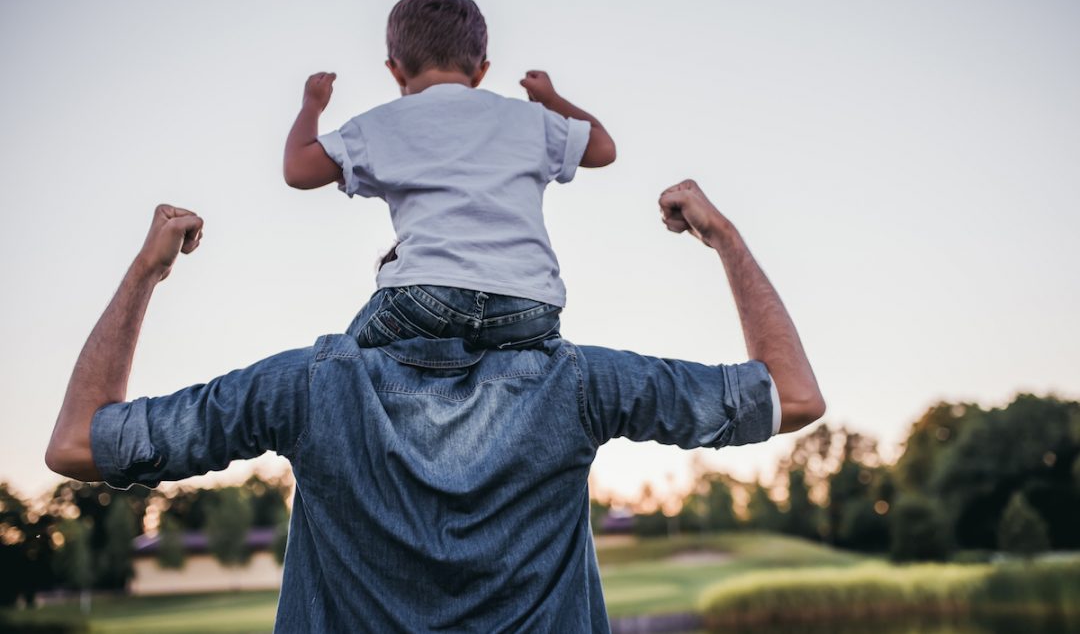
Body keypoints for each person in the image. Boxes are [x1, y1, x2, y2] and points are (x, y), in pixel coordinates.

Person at [45, 180, 825, 632]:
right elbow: (793, 395)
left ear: (389, 280)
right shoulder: (578, 383)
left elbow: (79, 443)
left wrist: (147, 271)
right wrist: (723, 237)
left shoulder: (309, 387)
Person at [282, 0, 617, 351]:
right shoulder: (528, 119)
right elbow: (603, 148)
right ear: (481, 70)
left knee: (342, 362)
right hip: (530, 306)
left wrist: (312, 105)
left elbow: (298, 169)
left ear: (395, 70)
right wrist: (550, 99)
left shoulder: (382, 124)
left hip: (427, 298)